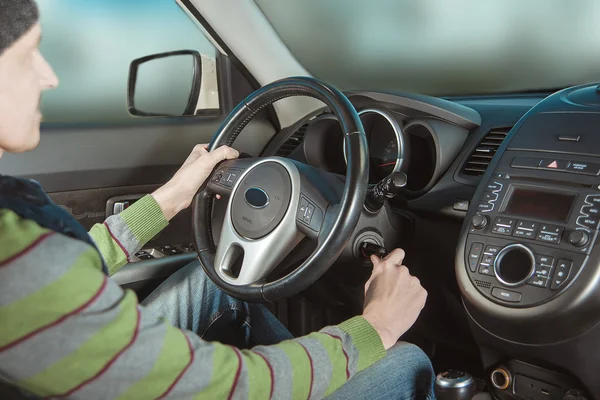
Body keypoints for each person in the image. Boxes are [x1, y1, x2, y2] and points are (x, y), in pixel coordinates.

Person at [0, 0, 435, 398]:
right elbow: (230, 384)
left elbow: (68, 270)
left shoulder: (19, 240)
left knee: (214, 283)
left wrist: (170, 199)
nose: (48, 76)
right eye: (26, 56)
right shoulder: (21, 261)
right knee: (406, 364)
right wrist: (376, 326)